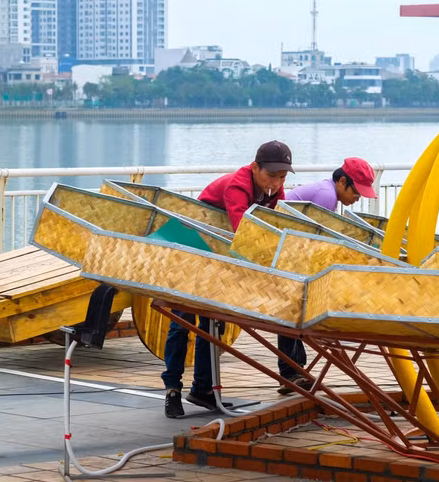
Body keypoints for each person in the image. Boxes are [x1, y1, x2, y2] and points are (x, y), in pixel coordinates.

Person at [162, 140, 294, 418]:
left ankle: (203, 390)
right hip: (194, 246)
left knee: (210, 321)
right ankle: (172, 390)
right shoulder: (238, 185)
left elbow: (271, 225)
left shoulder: (274, 188)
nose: (276, 182)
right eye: (271, 175)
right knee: (182, 321)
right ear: (255, 167)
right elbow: (242, 231)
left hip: (218, 254)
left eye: (282, 176)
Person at [274, 157, 378, 394]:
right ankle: (290, 372)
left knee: (294, 312)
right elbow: (319, 241)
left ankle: (294, 371)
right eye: (357, 192)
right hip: (286, 252)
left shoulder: (327, 191)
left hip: (289, 251)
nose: (358, 198)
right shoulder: (327, 196)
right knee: (291, 312)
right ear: (342, 181)